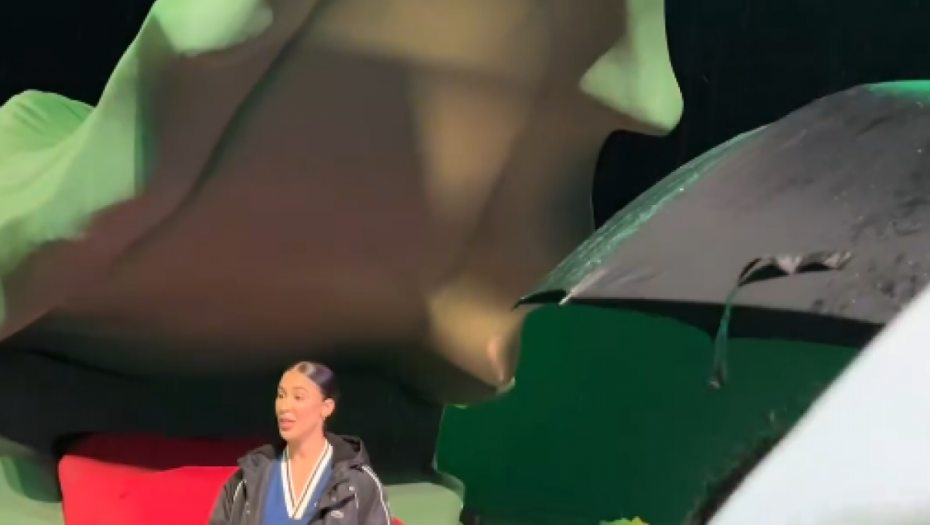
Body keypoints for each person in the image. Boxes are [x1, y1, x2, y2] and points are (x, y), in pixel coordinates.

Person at [209, 361, 392, 525]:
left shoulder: (358, 483)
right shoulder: (249, 477)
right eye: (281, 395)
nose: (284, 407)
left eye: (298, 397)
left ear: (326, 408)